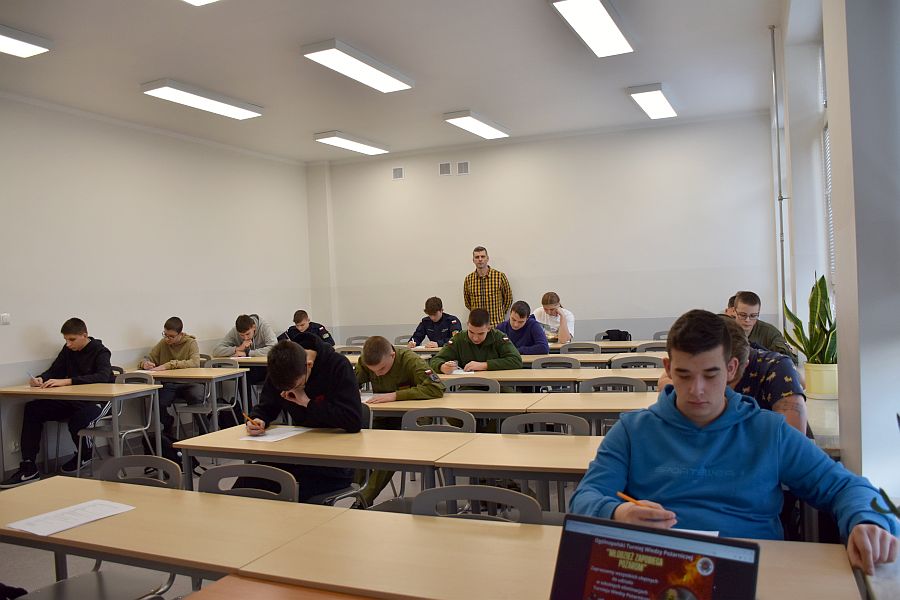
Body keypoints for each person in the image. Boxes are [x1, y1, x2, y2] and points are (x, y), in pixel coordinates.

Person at [569, 309, 899, 575]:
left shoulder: (769, 431)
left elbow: (844, 486)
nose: (697, 389)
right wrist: (616, 512)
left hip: (753, 570)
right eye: (684, 375)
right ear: (668, 368)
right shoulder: (632, 431)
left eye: (710, 374)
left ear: (731, 369)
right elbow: (585, 497)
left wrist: (868, 521)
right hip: (659, 571)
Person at [242, 337, 362, 502]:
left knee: (287, 492)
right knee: (249, 479)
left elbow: (353, 420)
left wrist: (307, 403)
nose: (290, 391)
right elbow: (267, 405)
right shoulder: (282, 368)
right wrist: (258, 419)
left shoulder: (337, 365)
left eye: (297, 386)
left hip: (334, 463)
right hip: (296, 455)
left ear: (309, 365)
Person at [0, 318, 113, 488]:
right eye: (66, 340)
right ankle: (29, 466)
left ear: (84, 335)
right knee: (33, 408)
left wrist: (68, 381)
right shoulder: (68, 351)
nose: (68, 344)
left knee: (79, 418)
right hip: (74, 400)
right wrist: (40, 379)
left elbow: (103, 377)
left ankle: (85, 454)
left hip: (101, 400)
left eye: (72, 339)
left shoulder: (101, 351)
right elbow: (55, 370)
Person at [355, 336, 445, 505]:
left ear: (392, 355)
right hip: (383, 416)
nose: (377, 373)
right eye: (373, 371)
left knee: (391, 450)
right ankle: (358, 491)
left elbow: (436, 388)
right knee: (357, 442)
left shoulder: (410, 360)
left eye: (382, 368)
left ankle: (363, 499)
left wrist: (395, 396)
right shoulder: (367, 361)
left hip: (413, 418)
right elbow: (352, 382)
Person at [139, 316, 203, 438]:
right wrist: (145, 363)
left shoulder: (191, 343)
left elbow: (195, 363)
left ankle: (203, 431)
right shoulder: (163, 343)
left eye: (171, 336)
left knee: (196, 398)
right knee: (157, 402)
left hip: (190, 383)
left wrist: (169, 365)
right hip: (170, 383)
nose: (167, 339)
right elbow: (149, 357)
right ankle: (168, 423)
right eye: (165, 335)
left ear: (181, 334)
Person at [430, 308, 522, 374]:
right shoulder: (459, 339)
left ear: (489, 328)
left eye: (481, 334)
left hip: (499, 384)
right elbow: (435, 360)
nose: (475, 338)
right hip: (468, 385)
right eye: (471, 332)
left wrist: (485, 365)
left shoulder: (498, 337)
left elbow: (516, 360)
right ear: (467, 325)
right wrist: (442, 367)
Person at [732, 291, 797, 363]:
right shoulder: (725, 330)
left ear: (758, 313)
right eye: (743, 315)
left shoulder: (770, 332)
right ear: (734, 311)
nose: (747, 320)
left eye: (753, 316)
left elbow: (788, 360)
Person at [463, 246, 512, 327]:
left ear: (487, 258)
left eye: (482, 256)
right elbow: (468, 302)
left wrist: (501, 313)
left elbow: (508, 298)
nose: (480, 259)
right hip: (477, 327)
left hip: (496, 325)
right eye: (477, 257)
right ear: (473, 260)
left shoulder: (499, 276)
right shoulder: (468, 279)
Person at [213, 313, 277, 358]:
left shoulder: (264, 327)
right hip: (245, 365)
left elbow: (274, 349)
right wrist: (238, 348)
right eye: (241, 335)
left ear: (254, 327)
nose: (245, 338)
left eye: (247, 334)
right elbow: (216, 350)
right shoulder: (235, 330)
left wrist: (247, 353)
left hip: (263, 366)